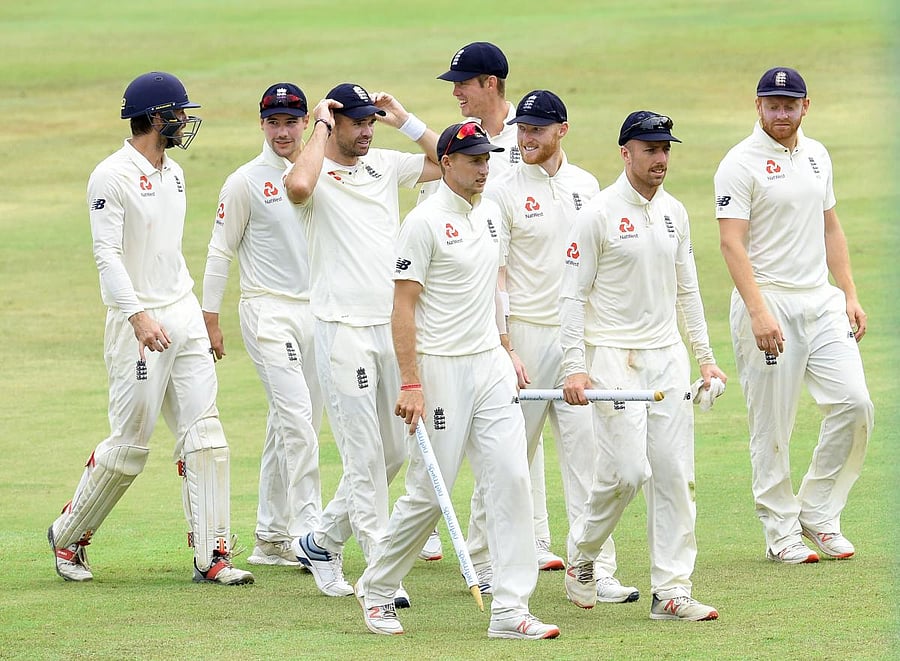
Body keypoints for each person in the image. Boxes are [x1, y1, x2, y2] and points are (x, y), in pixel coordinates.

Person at [355, 121, 559, 640]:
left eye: (487, 159)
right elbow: (402, 306)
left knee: (512, 478)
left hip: (488, 362)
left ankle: (511, 610)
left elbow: (493, 289)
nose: (483, 169)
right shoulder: (422, 223)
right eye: (473, 160)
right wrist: (410, 381)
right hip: (440, 368)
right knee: (429, 492)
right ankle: (377, 589)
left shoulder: (490, 213)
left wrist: (506, 346)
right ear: (446, 164)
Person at [48, 72, 253, 586]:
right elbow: (106, 254)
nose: (185, 121)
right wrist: (136, 315)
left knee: (205, 435)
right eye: (179, 114)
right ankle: (69, 537)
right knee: (131, 446)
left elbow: (165, 251)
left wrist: (196, 314)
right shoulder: (110, 176)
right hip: (136, 321)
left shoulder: (175, 172)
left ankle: (214, 556)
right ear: (156, 118)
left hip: (180, 309)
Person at [471, 89, 637, 604]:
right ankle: (483, 561)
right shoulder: (502, 189)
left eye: (538, 129)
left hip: (579, 342)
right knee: (509, 458)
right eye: (523, 128)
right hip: (523, 335)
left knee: (591, 460)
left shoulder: (589, 187)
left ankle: (591, 568)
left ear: (562, 129)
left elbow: (603, 268)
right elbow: (493, 274)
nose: (527, 138)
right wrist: (503, 343)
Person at [560, 111, 725, 621]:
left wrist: (706, 358)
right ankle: (583, 556)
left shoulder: (675, 211)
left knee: (675, 475)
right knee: (629, 472)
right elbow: (572, 295)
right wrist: (574, 367)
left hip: (667, 358)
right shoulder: (598, 213)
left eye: (665, 149)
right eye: (649, 149)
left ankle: (672, 590)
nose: (660, 158)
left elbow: (689, 290)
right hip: (612, 356)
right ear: (625, 153)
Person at [284, 83, 441, 602]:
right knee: (363, 454)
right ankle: (380, 571)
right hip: (340, 327)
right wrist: (320, 126)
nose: (367, 130)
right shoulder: (313, 168)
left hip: (388, 326)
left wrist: (406, 119)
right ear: (335, 123)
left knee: (393, 451)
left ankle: (321, 540)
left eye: (372, 121)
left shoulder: (385, 164)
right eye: (358, 122)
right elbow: (300, 188)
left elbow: (453, 163)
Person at [715, 67, 873, 564]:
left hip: (819, 300)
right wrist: (759, 312)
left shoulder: (817, 155)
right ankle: (780, 528)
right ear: (757, 107)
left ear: (806, 106)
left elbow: (830, 228)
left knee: (855, 404)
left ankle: (819, 511)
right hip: (769, 301)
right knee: (773, 424)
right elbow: (731, 242)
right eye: (771, 104)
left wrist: (847, 292)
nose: (780, 113)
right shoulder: (739, 163)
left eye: (789, 104)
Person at [428, 40, 565, 573]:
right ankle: (481, 556)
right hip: (490, 319)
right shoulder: (463, 148)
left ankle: (534, 540)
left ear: (491, 84)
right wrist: (503, 337)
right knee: (501, 445)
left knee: (524, 447)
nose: (456, 91)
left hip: (538, 316)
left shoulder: (527, 134)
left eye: (463, 82)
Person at [201, 82, 323, 567]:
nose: (282, 131)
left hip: (316, 311)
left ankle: (270, 538)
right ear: (261, 124)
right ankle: (309, 535)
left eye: (291, 122)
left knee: (290, 421)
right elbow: (219, 251)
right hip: (266, 310)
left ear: (305, 124)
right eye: (273, 122)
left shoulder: (319, 173)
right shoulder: (245, 181)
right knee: (297, 421)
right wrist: (209, 318)